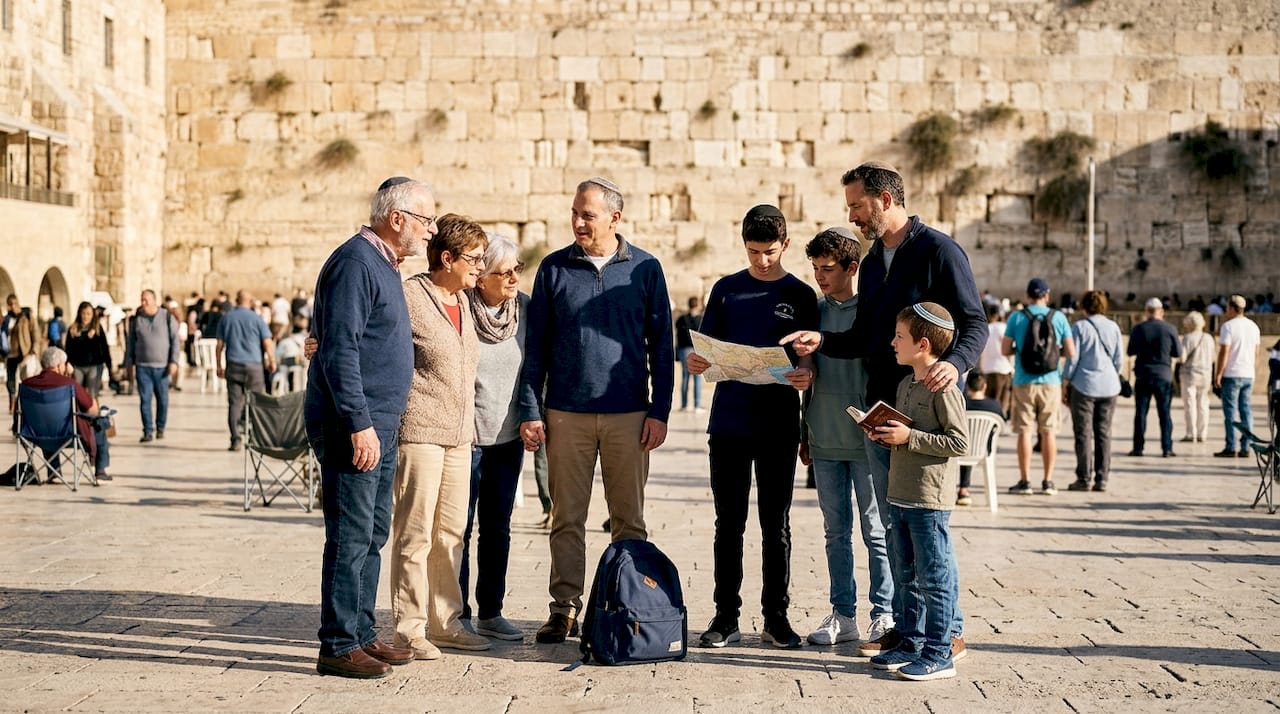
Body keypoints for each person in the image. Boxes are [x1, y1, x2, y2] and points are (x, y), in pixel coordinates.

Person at [780, 161, 983, 660]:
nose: (851, 215)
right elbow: (870, 339)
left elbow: (974, 323)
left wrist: (954, 365)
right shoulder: (872, 264)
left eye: (856, 205)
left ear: (886, 200)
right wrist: (822, 339)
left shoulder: (939, 251)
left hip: (926, 412)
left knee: (929, 527)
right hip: (882, 412)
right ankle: (909, 630)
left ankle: (949, 630)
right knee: (895, 526)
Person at [517, 177, 674, 644]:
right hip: (566, 412)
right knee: (567, 517)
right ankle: (564, 608)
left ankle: (627, 603)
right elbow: (536, 347)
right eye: (575, 213)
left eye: (588, 214)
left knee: (629, 520)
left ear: (615, 218)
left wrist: (660, 410)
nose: (578, 222)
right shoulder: (553, 269)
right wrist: (531, 408)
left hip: (629, 413)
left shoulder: (646, 269)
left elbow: (661, 346)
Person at [307, 176, 436, 679]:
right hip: (353, 426)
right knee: (351, 534)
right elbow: (340, 349)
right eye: (425, 220)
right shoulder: (356, 263)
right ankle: (338, 644)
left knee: (373, 531)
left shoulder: (382, 264)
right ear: (397, 218)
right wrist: (359, 423)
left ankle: (360, 632)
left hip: (379, 424)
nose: (430, 230)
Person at [685, 205, 816, 649]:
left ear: (786, 245)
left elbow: (809, 358)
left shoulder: (800, 294)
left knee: (775, 524)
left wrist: (807, 373)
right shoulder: (725, 290)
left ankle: (776, 617)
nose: (761, 260)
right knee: (729, 523)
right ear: (743, 244)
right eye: (754, 251)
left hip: (779, 425)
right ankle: (725, 616)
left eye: (770, 252)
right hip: (729, 424)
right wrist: (696, 362)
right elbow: (706, 352)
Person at [388, 214, 491, 657]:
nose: (480, 267)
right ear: (445, 258)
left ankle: (447, 621)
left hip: (459, 435)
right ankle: (409, 627)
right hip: (420, 431)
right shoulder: (410, 295)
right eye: (473, 258)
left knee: (452, 532)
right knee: (416, 533)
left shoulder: (465, 302)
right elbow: (376, 341)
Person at [798, 227, 894, 645]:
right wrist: (804, 430)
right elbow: (809, 376)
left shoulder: (871, 312)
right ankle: (843, 613)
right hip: (823, 433)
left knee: (876, 529)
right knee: (835, 531)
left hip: (866, 439)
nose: (820, 276)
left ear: (852, 268)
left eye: (828, 268)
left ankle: (885, 612)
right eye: (815, 268)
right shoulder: (813, 313)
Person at [867, 302, 967, 681]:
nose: (892, 342)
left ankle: (939, 652)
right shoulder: (905, 384)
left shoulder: (944, 389)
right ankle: (911, 642)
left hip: (928, 500)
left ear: (922, 344)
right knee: (905, 574)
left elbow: (959, 442)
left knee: (934, 578)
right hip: (900, 494)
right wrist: (885, 434)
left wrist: (911, 437)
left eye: (899, 337)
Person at [458, 234, 529, 641]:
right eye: (504, 272)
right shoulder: (460, 310)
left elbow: (535, 368)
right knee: (460, 529)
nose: (513, 278)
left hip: (508, 438)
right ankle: (458, 612)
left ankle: (492, 610)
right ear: (481, 277)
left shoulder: (526, 311)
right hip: (466, 438)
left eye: (517, 269)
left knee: (497, 527)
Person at [1002, 278, 1075, 495]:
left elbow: (1005, 349)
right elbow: (1071, 352)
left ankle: (1025, 482)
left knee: (1024, 432)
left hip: (1024, 381)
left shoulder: (1017, 317)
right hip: (1051, 381)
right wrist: (1051, 355)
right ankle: (1048, 481)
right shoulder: (1059, 317)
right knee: (1048, 432)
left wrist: (1023, 351)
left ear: (1027, 296)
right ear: (1047, 295)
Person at [1061, 290, 1123, 492]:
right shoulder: (1113, 326)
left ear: (1084, 306)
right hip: (1109, 386)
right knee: (1104, 433)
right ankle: (1102, 478)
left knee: (1083, 433)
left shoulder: (1080, 327)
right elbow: (1118, 359)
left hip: (1084, 385)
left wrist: (1066, 381)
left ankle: (1084, 477)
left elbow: (1073, 358)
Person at [21, 347, 111, 482]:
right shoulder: (69, 384)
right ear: (58, 366)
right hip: (68, 434)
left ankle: (54, 471)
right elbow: (92, 409)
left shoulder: (27, 384)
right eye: (64, 364)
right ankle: (100, 472)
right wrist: (70, 376)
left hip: (36, 435)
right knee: (101, 421)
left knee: (46, 420)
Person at [216, 290, 276, 451]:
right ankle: (255, 437)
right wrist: (272, 361)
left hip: (234, 364)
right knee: (256, 402)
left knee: (235, 403)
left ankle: (236, 439)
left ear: (236, 300)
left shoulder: (226, 318)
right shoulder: (257, 319)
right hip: (254, 366)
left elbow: (219, 345)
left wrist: (218, 365)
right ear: (249, 302)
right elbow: (267, 342)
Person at [123, 290, 182, 443]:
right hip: (143, 366)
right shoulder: (136, 320)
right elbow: (131, 344)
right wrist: (129, 364)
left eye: (146, 300)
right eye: (142, 300)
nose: (143, 303)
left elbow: (175, 341)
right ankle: (148, 430)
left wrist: (174, 361)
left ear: (154, 301)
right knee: (145, 400)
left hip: (162, 367)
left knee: (163, 400)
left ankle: (160, 428)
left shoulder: (167, 317)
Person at [1126, 298, 1182, 458]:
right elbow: (1177, 353)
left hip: (1143, 375)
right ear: (1161, 311)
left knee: (1141, 413)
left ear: (1146, 311)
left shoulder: (1138, 329)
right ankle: (1167, 448)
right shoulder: (1170, 329)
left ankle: (1138, 448)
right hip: (1163, 375)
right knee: (1165, 413)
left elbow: (1130, 351)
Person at [1214, 294, 1261, 458]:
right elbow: (1257, 353)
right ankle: (1246, 446)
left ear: (1232, 308)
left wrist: (1218, 373)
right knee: (1246, 410)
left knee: (1230, 412)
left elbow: (1224, 352)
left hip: (1232, 374)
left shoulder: (1228, 326)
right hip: (1248, 374)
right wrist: (1251, 369)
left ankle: (1231, 446)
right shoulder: (1254, 326)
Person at [958, 372, 1002, 505]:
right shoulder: (995, 406)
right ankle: (964, 490)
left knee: (966, 442)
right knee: (972, 442)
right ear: (984, 386)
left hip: (959, 449)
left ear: (967, 386)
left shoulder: (961, 404)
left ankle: (963, 490)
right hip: (983, 451)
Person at [1178, 311, 1215, 443]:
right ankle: (1202, 433)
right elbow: (1212, 358)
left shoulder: (1188, 338)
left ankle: (1190, 433)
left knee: (1190, 404)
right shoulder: (1209, 338)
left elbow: (1182, 358)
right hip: (1205, 374)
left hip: (1190, 374)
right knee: (1203, 404)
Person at [64, 301, 112, 400]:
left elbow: (104, 347)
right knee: (77, 395)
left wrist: (109, 364)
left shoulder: (97, 328)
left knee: (92, 395)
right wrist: (67, 363)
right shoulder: (73, 329)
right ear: (79, 314)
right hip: (78, 366)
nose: (86, 316)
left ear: (92, 315)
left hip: (94, 365)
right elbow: (68, 348)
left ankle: (93, 414)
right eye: (83, 313)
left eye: (88, 314)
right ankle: (79, 415)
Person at [4, 295, 41, 414]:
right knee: (10, 382)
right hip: (10, 354)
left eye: (14, 303)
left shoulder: (27, 316)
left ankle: (27, 404)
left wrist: (33, 351)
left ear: (18, 303)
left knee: (26, 380)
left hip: (25, 353)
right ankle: (13, 402)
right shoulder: (7, 319)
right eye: (10, 304)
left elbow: (35, 334)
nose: (12, 306)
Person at [979, 304, 1013, 418]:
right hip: (1002, 368)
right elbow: (1008, 347)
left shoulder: (984, 328)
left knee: (990, 400)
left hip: (987, 369)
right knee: (1002, 402)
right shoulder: (1002, 327)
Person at [675, 296, 704, 412]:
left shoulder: (681, 319)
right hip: (697, 351)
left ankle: (684, 405)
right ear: (697, 305)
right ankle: (697, 405)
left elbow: (677, 336)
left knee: (685, 377)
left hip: (684, 350)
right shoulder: (701, 319)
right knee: (697, 378)